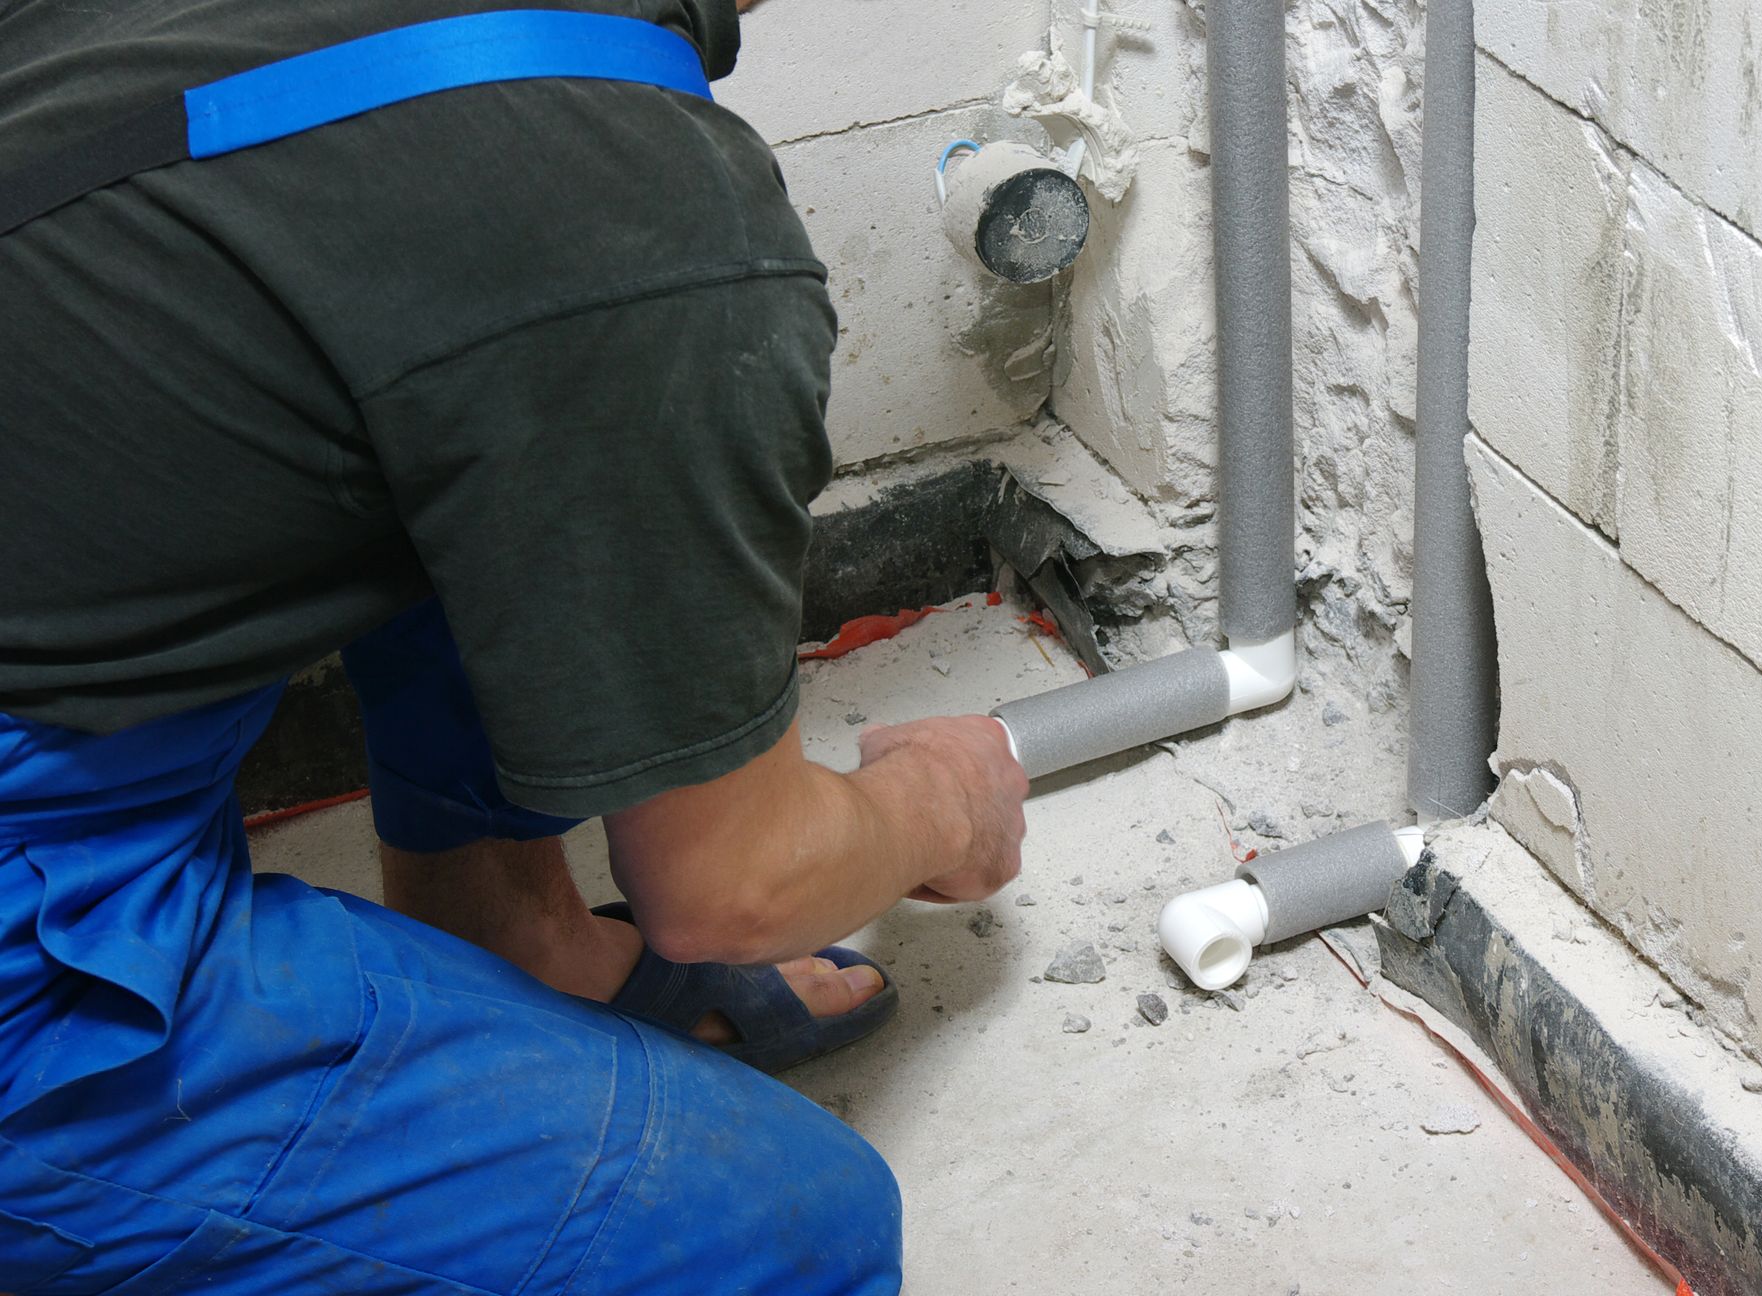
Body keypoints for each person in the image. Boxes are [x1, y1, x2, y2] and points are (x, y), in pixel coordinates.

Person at [0, 1, 1029, 1291]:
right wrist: (939, 802)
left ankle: (511, 928)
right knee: (788, 1234)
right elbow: (736, 890)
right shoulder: (632, 207)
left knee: (486, 404)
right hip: (28, 937)